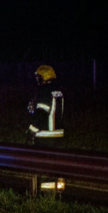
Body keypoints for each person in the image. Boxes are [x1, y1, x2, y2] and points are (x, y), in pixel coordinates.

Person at [27, 64, 65, 195]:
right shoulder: (58, 91)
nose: (37, 80)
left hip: (45, 136)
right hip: (58, 135)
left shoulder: (43, 91)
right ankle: (57, 190)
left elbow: (42, 113)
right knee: (56, 165)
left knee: (42, 166)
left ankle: (44, 194)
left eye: (38, 77)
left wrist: (32, 130)